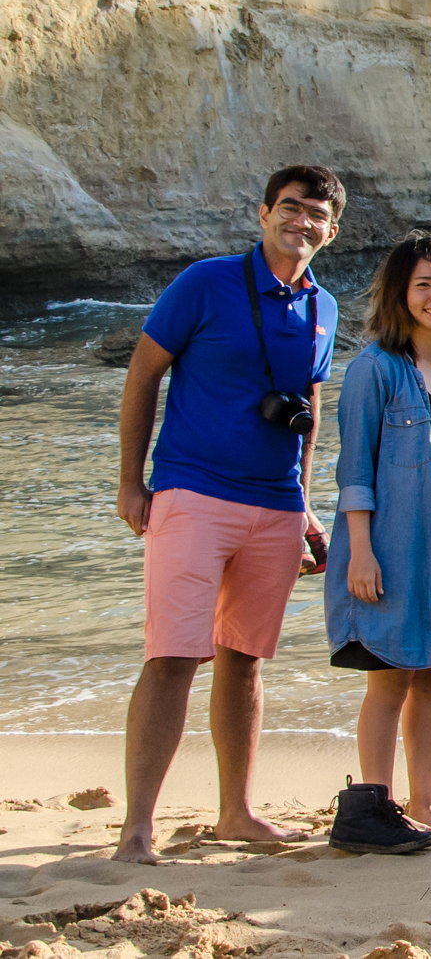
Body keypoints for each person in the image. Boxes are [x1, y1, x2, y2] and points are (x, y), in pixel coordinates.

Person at [112, 166, 345, 863]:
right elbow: (143, 374)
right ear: (263, 213)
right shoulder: (204, 282)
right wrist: (131, 481)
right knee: (173, 656)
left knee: (244, 662)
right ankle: (137, 828)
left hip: (275, 505)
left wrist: (303, 503)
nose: (301, 221)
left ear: (331, 232)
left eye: (316, 214)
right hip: (192, 492)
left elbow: (310, 405)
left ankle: (235, 813)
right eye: (290, 207)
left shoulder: (325, 307)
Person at [325, 231, 431, 853]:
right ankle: (373, 806)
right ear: (399, 293)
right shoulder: (373, 369)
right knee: (390, 678)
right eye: (423, 285)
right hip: (393, 544)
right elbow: (354, 471)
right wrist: (360, 551)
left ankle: (423, 802)